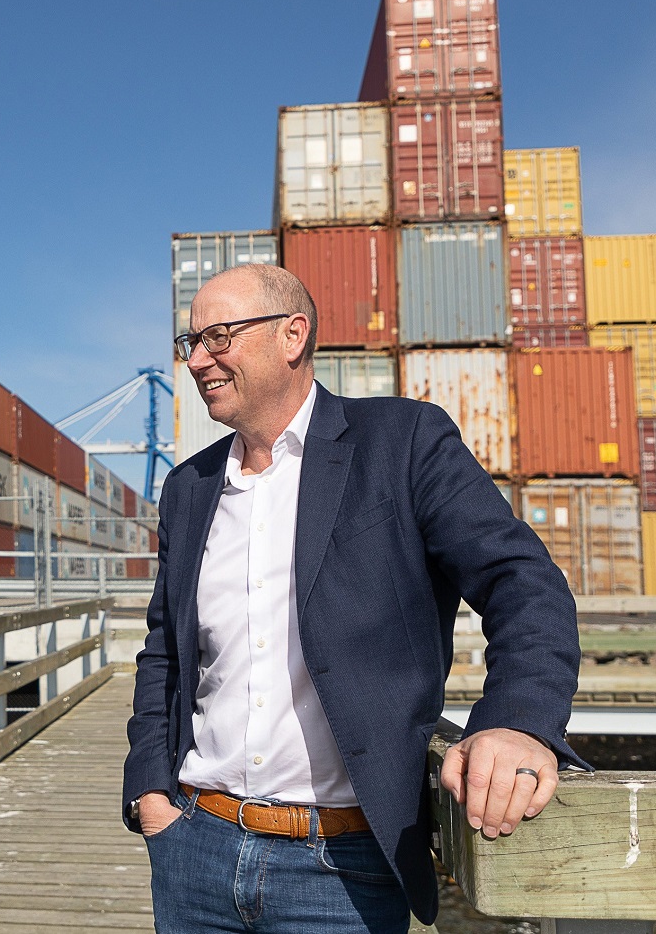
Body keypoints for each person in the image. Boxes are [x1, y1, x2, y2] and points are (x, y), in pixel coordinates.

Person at [123, 264, 583, 932]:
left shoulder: (404, 442)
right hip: (195, 845)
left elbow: (524, 582)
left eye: (218, 337)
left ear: (292, 335)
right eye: (190, 342)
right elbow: (163, 651)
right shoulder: (188, 487)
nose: (197, 360)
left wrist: (516, 720)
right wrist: (150, 793)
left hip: (342, 865)